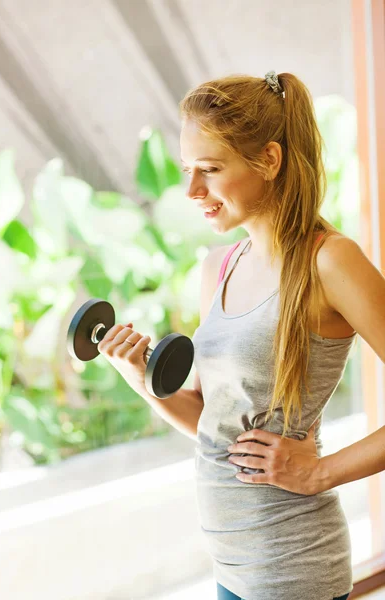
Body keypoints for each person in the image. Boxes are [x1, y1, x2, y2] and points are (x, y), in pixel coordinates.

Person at [98, 71, 385, 600]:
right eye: (188, 170)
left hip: (293, 571)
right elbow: (216, 428)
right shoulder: (219, 267)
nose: (192, 191)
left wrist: (320, 472)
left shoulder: (330, 262)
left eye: (209, 170)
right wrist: (138, 375)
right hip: (232, 567)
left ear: (269, 161)